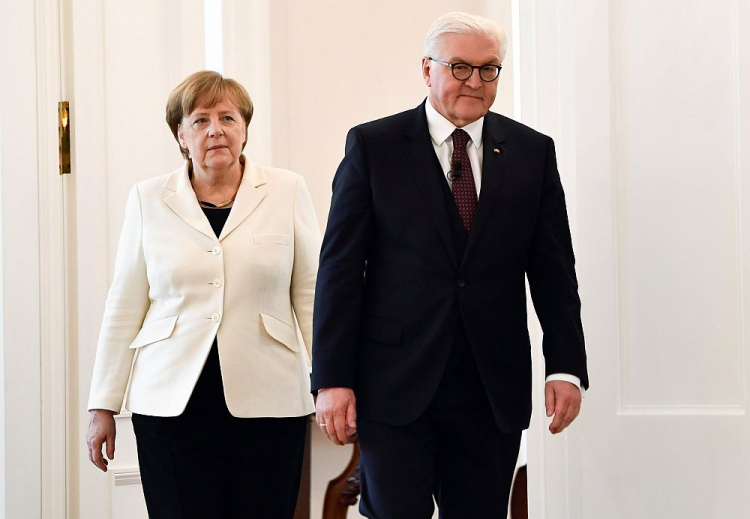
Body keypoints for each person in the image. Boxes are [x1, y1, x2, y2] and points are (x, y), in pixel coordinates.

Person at [312, 11, 588, 519]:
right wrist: (331, 378)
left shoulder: (532, 152)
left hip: (491, 390)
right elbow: (340, 271)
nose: (475, 81)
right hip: (394, 388)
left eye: (489, 70)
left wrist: (566, 367)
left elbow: (554, 272)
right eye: (460, 67)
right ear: (427, 69)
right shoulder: (374, 147)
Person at [85, 70, 321, 519]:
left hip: (269, 401)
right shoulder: (148, 198)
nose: (216, 130)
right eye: (200, 120)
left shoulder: (287, 190)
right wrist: (103, 405)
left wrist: (330, 382)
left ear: (245, 128)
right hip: (171, 405)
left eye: (228, 117)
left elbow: (310, 295)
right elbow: (124, 305)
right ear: (180, 133)